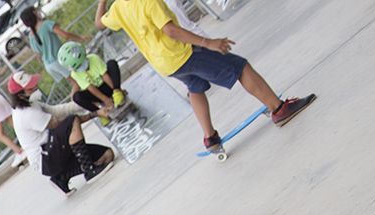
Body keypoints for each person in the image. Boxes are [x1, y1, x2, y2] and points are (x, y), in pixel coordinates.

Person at [96, 0, 314, 153]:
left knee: (195, 87)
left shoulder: (118, 9)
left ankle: (210, 138)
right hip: (183, 53)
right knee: (240, 67)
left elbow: (99, 23)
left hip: (165, 64)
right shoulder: (147, 1)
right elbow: (170, 30)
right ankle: (279, 108)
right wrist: (208, 43)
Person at [8, 74, 116, 195]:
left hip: (57, 150)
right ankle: (89, 170)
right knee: (71, 121)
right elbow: (63, 123)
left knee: (107, 155)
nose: (35, 87)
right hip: (46, 159)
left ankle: (60, 178)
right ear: (20, 95)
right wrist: (95, 113)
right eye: (30, 87)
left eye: (33, 84)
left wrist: (89, 102)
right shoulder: (27, 114)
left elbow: (58, 111)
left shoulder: (32, 103)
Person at [19, 5, 91, 83]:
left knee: (75, 83)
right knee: (83, 79)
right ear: (34, 13)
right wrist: (81, 38)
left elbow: (38, 56)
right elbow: (65, 35)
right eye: (36, 10)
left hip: (49, 66)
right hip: (61, 59)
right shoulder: (46, 24)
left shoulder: (31, 37)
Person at [58, 41, 126, 120]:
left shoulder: (93, 58)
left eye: (81, 63)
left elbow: (105, 76)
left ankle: (117, 93)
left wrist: (116, 91)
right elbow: (90, 87)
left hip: (107, 84)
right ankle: (101, 113)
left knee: (112, 63)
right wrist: (106, 100)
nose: (82, 67)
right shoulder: (74, 74)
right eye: (78, 67)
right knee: (77, 97)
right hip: (97, 92)